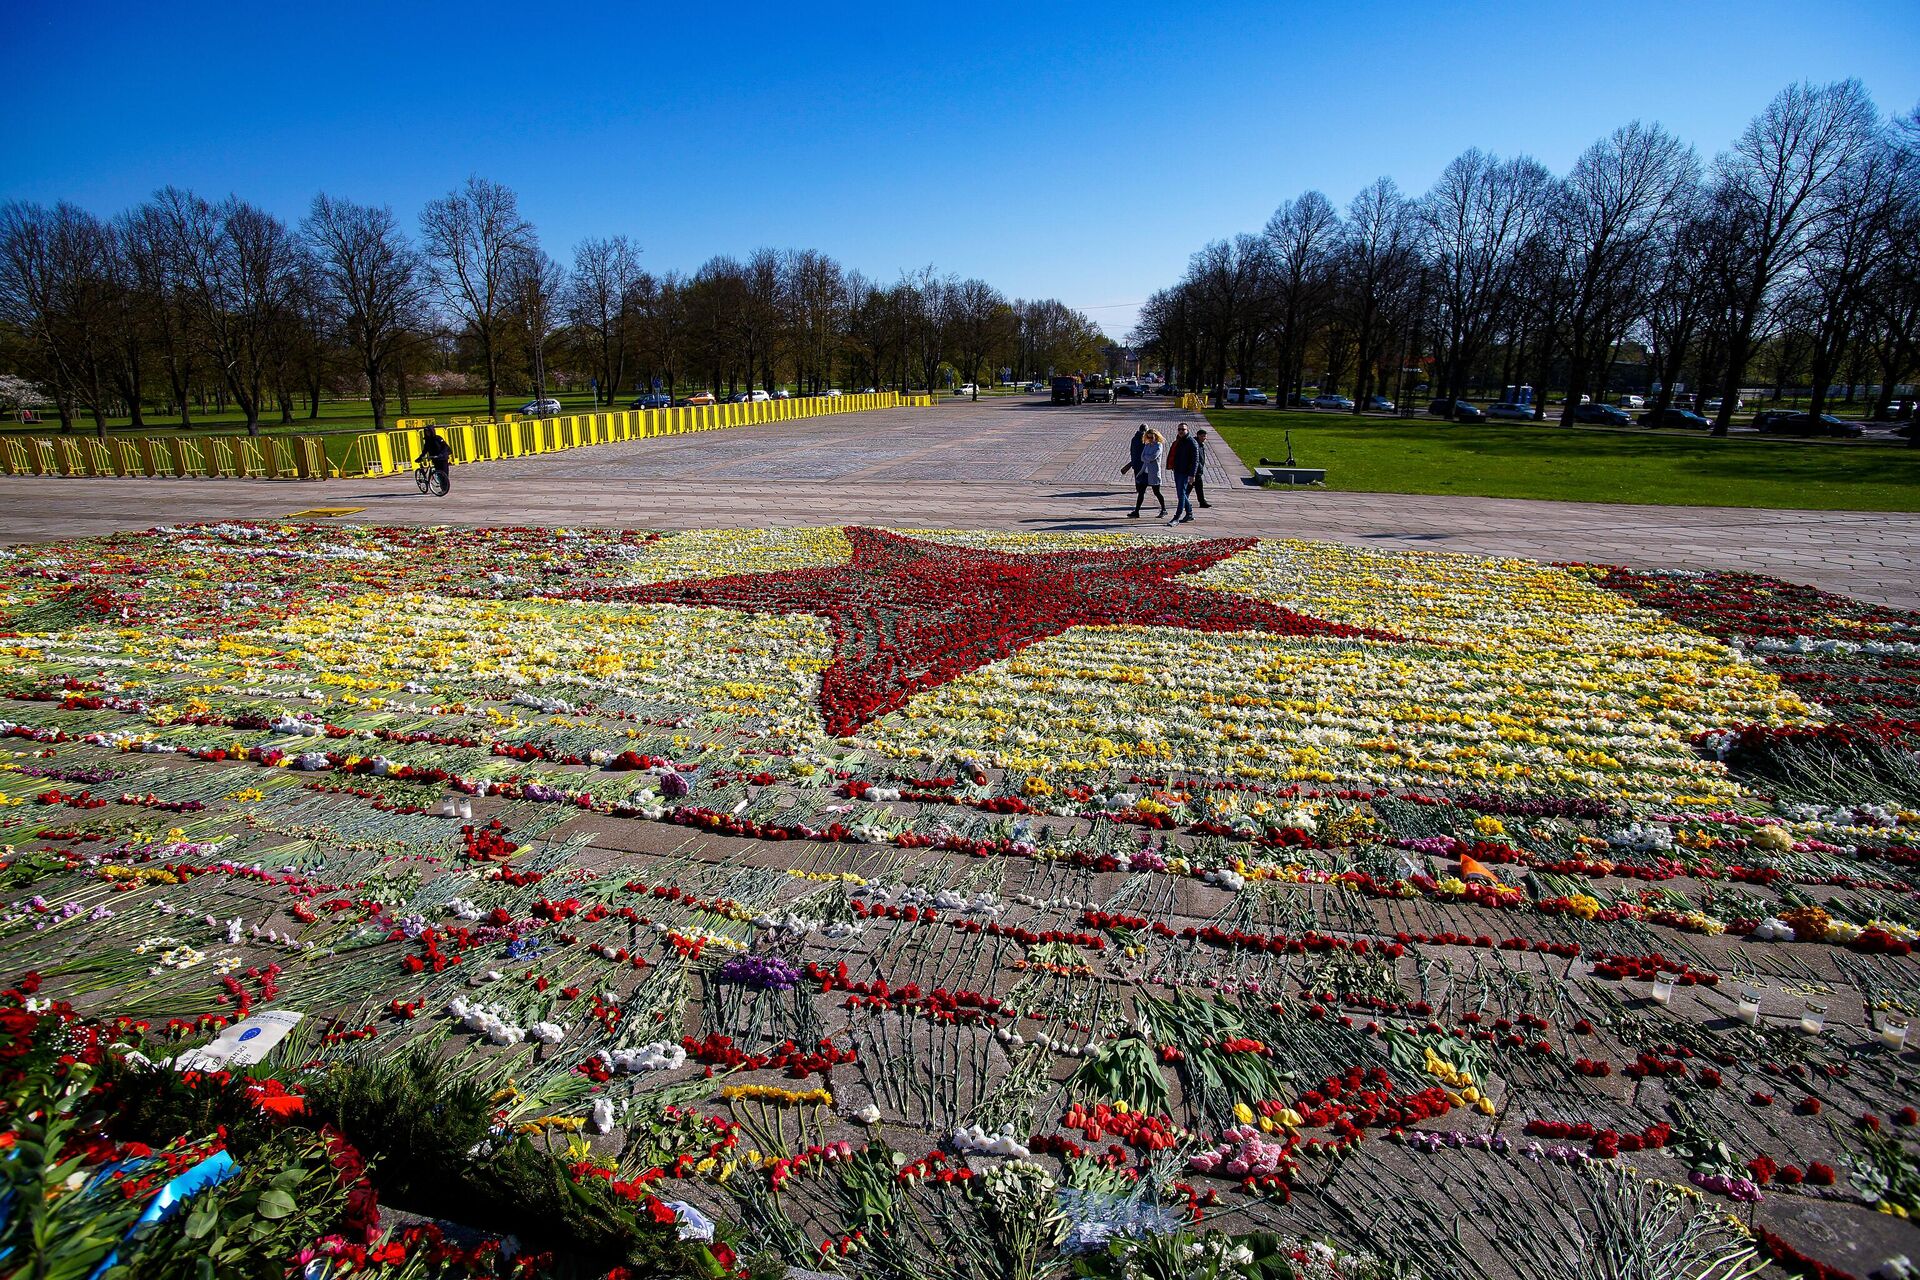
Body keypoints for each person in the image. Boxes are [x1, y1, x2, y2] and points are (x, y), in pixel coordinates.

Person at [1167, 423, 1199, 524]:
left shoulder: (1191, 442)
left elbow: (1195, 460)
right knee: (1182, 494)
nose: (1181, 431)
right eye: (1179, 429)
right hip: (1177, 470)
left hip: (1186, 473)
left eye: (1183, 429)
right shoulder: (1179, 441)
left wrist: (1192, 475)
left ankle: (1176, 517)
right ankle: (1189, 513)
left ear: (1187, 430)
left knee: (1181, 494)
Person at [1129, 428, 1165, 518]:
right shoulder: (1147, 445)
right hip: (1145, 472)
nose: (1150, 439)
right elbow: (1142, 457)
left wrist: (1147, 458)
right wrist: (1147, 458)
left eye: (1151, 437)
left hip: (1153, 473)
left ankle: (1163, 509)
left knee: (1156, 492)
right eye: (1148, 437)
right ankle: (1136, 511)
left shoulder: (1158, 445)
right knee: (1141, 492)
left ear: (1156, 437)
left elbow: (1154, 456)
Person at [417, 426, 452, 496]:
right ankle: (443, 489)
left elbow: (445, 447)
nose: (427, 433)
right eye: (426, 432)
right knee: (439, 475)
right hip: (435, 459)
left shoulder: (438, 439)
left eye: (428, 432)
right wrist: (420, 457)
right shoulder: (427, 441)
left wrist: (441, 454)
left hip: (442, 458)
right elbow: (425, 450)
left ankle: (445, 487)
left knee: (445, 474)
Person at [1191, 427, 1213, 509]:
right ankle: (1201, 502)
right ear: (1198, 435)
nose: (1204, 438)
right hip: (1194, 470)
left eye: (1205, 436)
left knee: (1197, 487)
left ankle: (1202, 502)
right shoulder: (1195, 444)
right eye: (1203, 436)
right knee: (1193, 487)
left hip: (1198, 470)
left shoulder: (1200, 444)